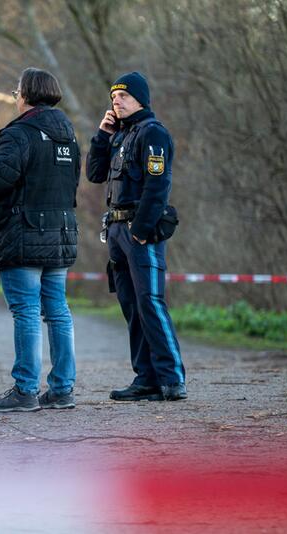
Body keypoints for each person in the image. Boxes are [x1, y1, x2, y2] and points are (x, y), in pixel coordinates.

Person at [0, 68, 80, 412]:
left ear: (27, 94)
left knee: (26, 312)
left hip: (24, 234)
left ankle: (25, 390)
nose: (15, 96)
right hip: (61, 233)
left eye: (17, 91)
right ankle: (62, 389)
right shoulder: (69, 135)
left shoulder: (20, 134)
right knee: (58, 312)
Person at [86, 71, 187, 401]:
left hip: (139, 232)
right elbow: (95, 173)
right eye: (114, 97)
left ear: (141, 99)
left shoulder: (152, 133)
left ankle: (172, 379)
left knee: (151, 303)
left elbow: (158, 186)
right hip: (116, 232)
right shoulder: (120, 135)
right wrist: (102, 136)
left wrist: (141, 232)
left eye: (124, 96)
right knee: (131, 306)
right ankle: (146, 378)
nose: (116, 101)